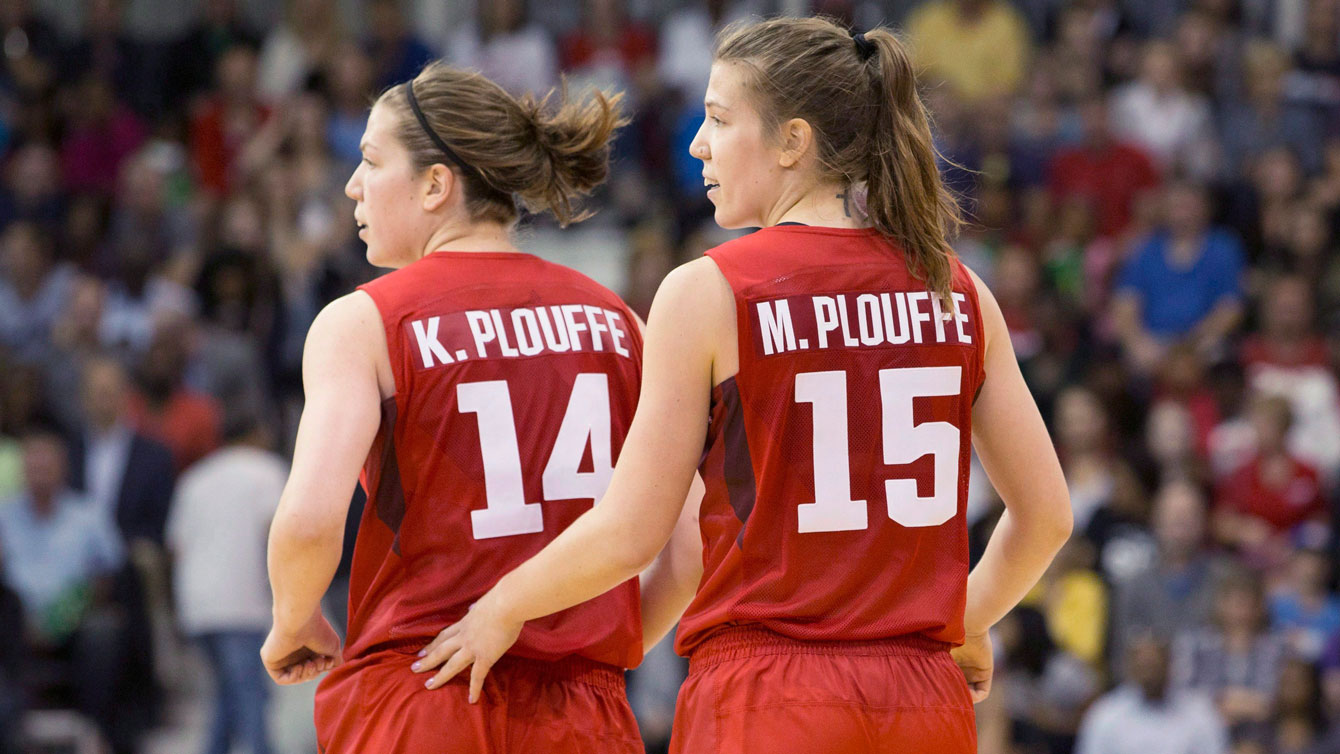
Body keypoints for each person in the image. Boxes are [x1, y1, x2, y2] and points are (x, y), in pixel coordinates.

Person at [418, 17, 1073, 753]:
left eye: (720, 119)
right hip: (923, 699)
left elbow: (632, 533)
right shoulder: (956, 289)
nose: (698, 142)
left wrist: (503, 605)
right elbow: (1046, 517)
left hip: (769, 696)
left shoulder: (708, 292)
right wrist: (970, 617)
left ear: (793, 141)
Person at [260, 60, 700, 753]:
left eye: (371, 162)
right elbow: (692, 543)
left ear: (437, 185)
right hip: (587, 712)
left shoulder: (364, 322)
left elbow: (311, 522)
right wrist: (601, 642)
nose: (352, 186)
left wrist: (292, 622)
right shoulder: (621, 321)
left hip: (427, 691)